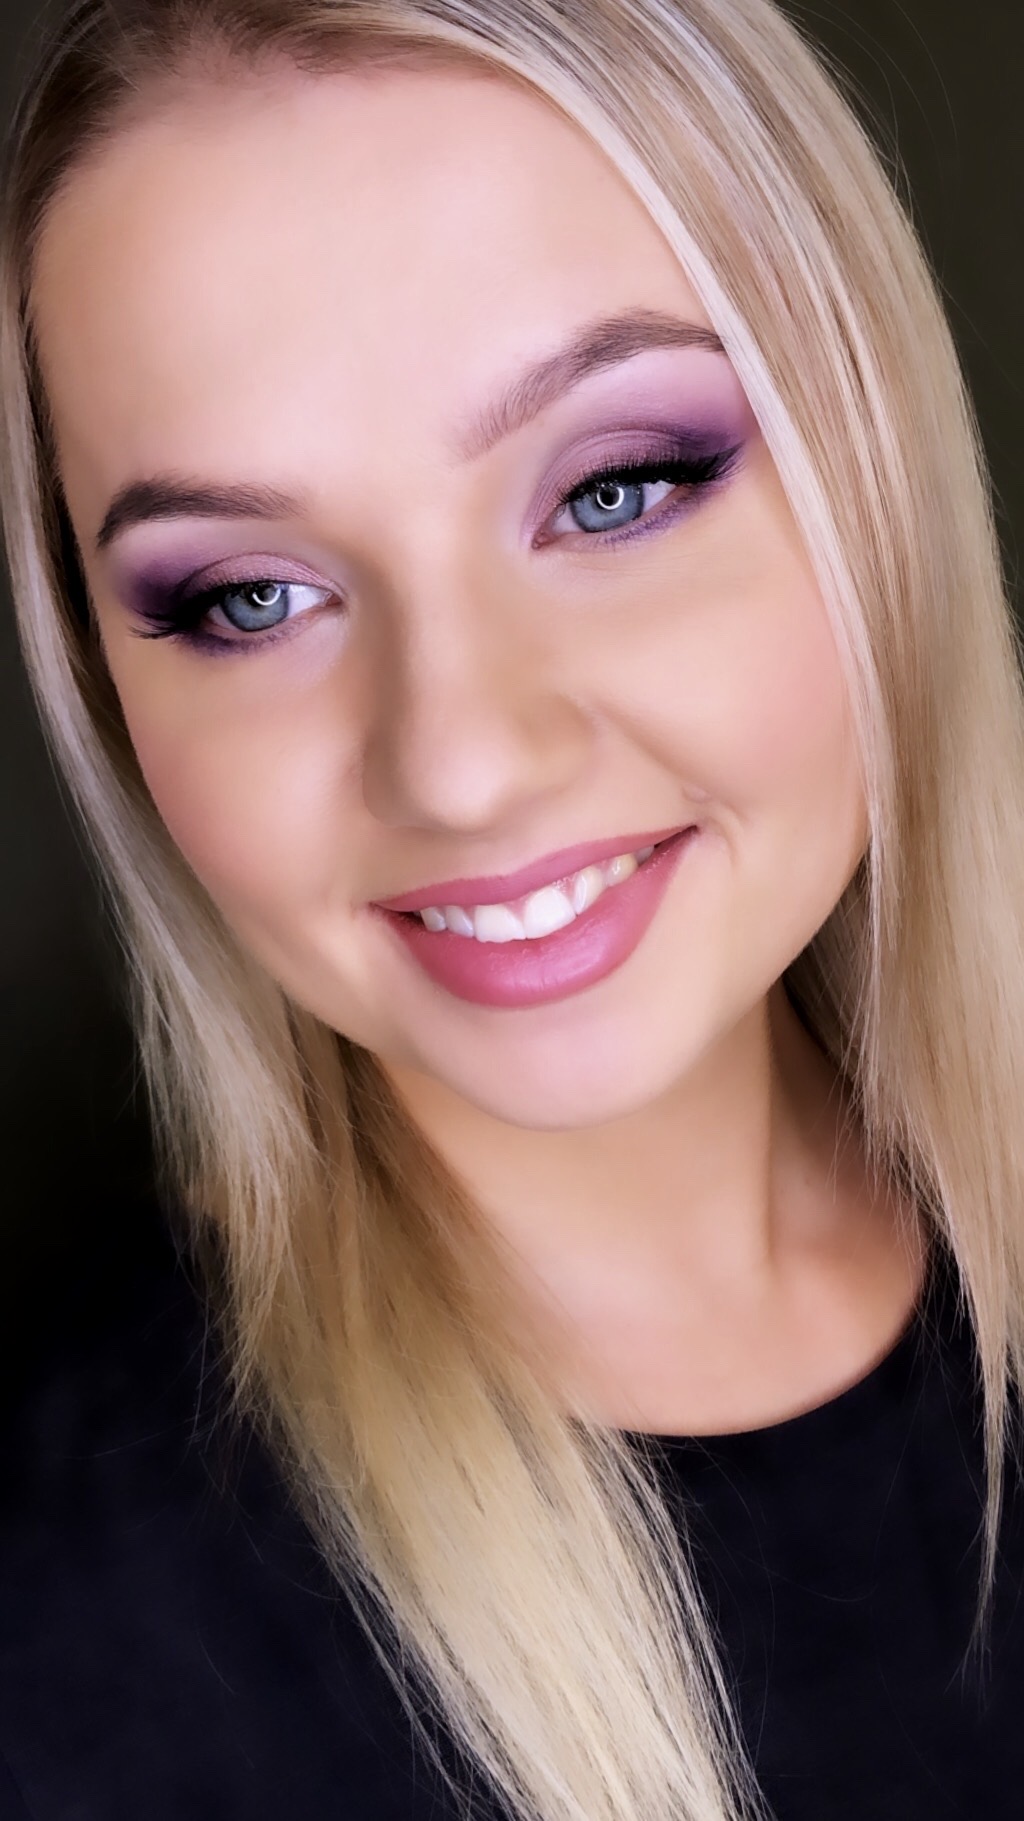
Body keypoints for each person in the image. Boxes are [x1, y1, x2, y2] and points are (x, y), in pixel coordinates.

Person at [1, 0, 1023, 1816]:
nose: (461, 762)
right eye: (248, 597)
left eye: (616, 489)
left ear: (875, 465)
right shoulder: (59, 1638)